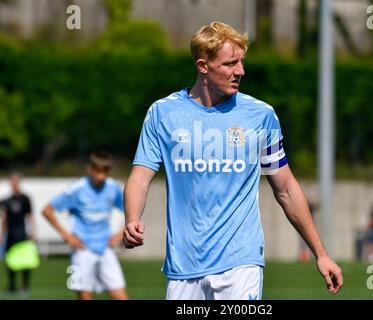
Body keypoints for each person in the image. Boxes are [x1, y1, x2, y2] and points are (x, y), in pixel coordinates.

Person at [123, 21, 343, 300]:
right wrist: (132, 218)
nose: (240, 71)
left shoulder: (261, 117)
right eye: (230, 63)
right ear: (203, 66)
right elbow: (140, 177)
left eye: (241, 62)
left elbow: (285, 188)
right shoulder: (162, 114)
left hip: (241, 262)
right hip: (183, 265)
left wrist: (321, 254)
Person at [42, 151, 128, 300]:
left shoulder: (113, 187)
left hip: (105, 247)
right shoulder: (76, 189)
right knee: (84, 296)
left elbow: (131, 211)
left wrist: (121, 234)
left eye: (105, 172)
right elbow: (47, 211)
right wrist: (67, 236)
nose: (101, 176)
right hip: (82, 249)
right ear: (90, 169)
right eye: (98, 171)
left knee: (121, 296)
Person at [0, 172, 35, 296]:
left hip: (22, 232)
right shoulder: (7, 200)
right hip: (10, 233)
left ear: (19, 182)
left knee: (24, 260)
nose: (13, 184)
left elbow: (30, 216)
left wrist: (32, 232)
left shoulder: (25, 199)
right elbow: (5, 219)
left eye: (15, 181)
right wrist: (2, 234)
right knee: (10, 261)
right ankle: (12, 286)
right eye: (11, 181)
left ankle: (25, 287)